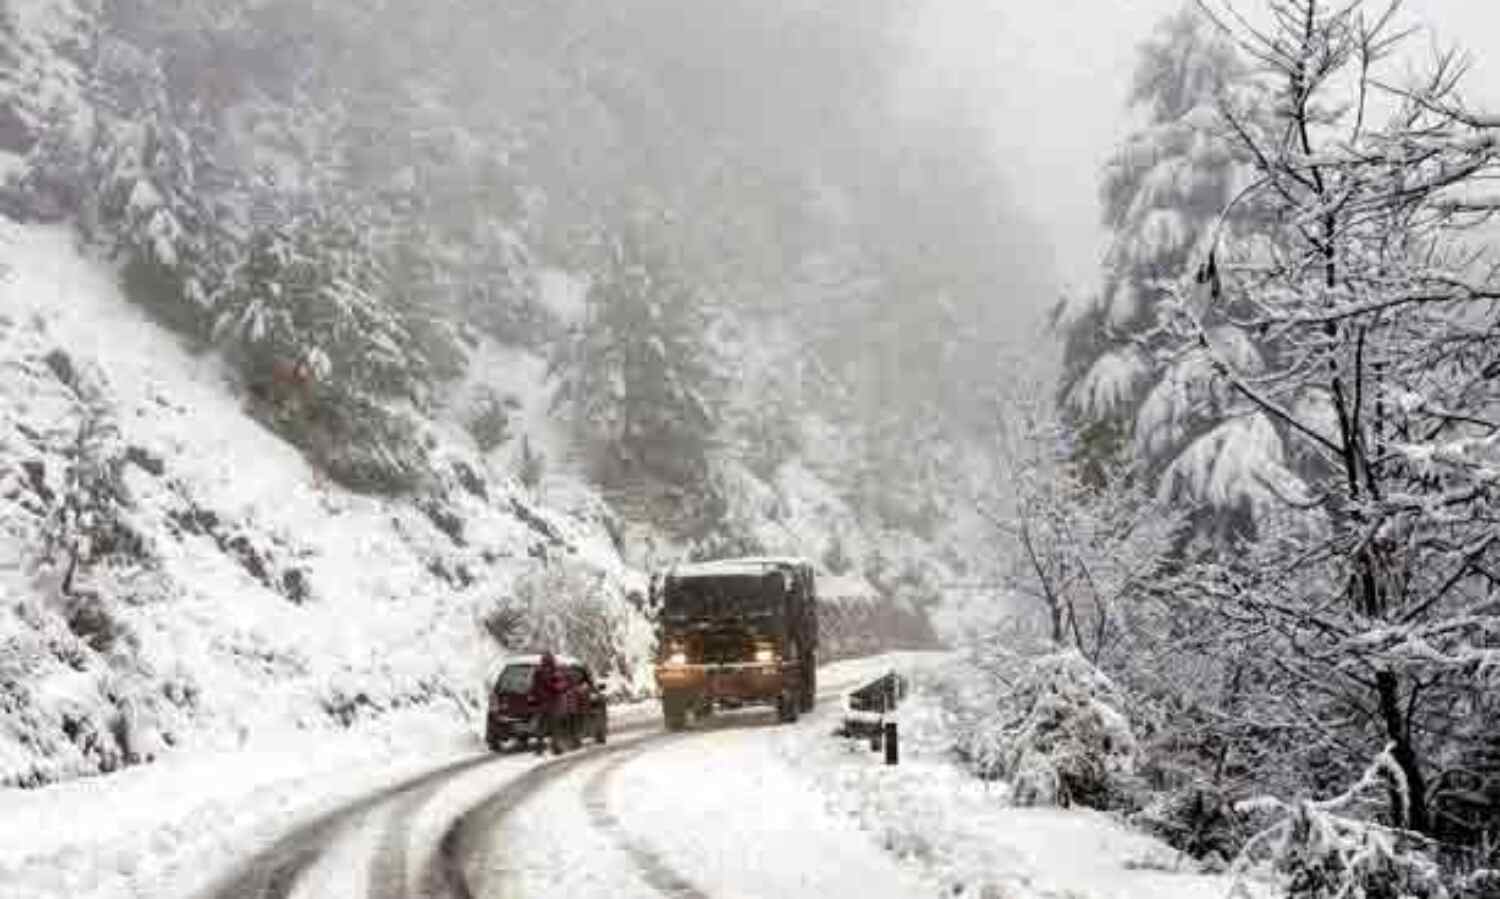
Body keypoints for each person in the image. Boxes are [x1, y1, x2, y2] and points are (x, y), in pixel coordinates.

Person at [529, 652, 569, 755]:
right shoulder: (553, 672)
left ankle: (541, 748)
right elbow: (560, 687)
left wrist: (535, 697)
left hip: (543, 704)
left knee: (542, 727)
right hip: (552, 703)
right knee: (553, 728)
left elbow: (533, 688)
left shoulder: (538, 672)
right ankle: (554, 748)